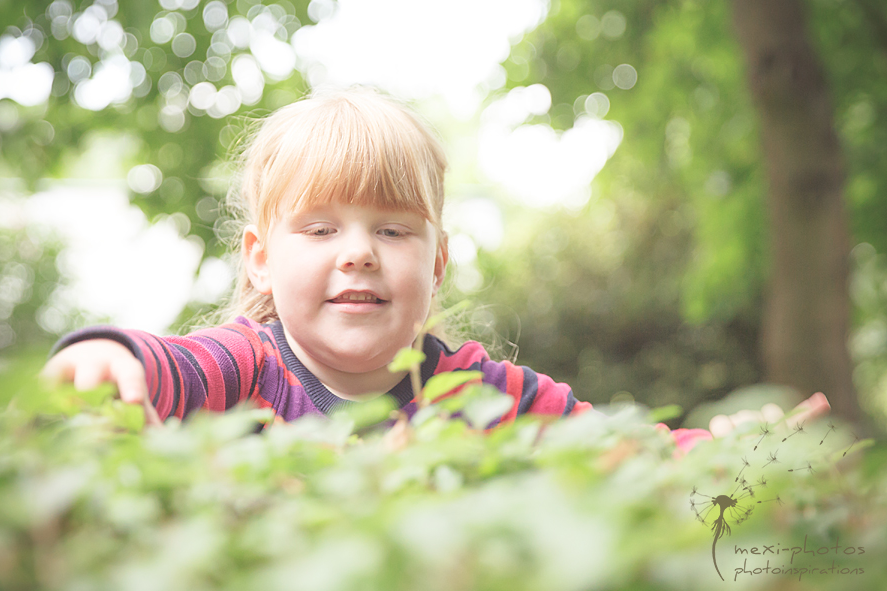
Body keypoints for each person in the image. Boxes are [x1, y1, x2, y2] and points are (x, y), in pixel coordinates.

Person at [41, 88, 823, 449]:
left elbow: (612, 448)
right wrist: (109, 353)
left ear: (437, 262)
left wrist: (718, 449)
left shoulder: (482, 392)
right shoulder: (245, 365)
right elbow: (175, 368)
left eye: (392, 229)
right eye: (319, 228)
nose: (359, 251)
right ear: (262, 261)